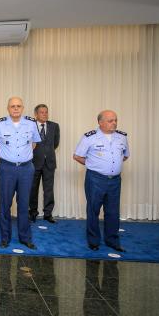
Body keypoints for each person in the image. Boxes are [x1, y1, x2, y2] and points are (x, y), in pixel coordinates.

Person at [0, 97, 41, 249]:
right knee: (5, 203)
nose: (16, 108)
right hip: (6, 168)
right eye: (13, 106)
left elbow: (35, 143)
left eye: (18, 106)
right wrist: (4, 155)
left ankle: (25, 238)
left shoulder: (31, 124)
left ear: (23, 108)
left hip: (26, 169)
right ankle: (5, 237)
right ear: (8, 108)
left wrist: (25, 156)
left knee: (24, 204)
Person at [73, 110, 129, 252]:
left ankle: (112, 241)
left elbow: (125, 156)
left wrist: (112, 166)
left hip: (115, 181)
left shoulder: (122, 137)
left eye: (115, 120)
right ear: (100, 122)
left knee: (113, 211)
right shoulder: (89, 137)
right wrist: (93, 164)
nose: (114, 123)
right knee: (93, 210)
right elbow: (77, 156)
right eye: (110, 120)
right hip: (95, 179)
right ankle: (93, 241)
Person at [29, 104, 60, 223]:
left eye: (46, 112)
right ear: (36, 114)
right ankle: (33, 212)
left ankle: (48, 213)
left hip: (49, 163)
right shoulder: (30, 126)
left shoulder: (54, 126)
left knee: (48, 190)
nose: (45, 114)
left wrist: (47, 153)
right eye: (42, 112)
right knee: (33, 189)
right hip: (33, 162)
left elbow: (55, 143)